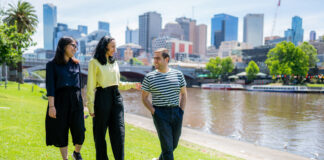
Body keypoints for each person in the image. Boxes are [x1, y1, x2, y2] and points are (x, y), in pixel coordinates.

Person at [86, 36, 140, 160]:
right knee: (99, 135)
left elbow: (117, 83)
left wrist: (133, 85)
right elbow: (90, 87)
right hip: (102, 98)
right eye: (113, 47)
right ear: (105, 46)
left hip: (116, 98)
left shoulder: (114, 62)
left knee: (119, 134)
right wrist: (90, 106)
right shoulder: (94, 62)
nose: (115, 50)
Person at [141, 48, 187, 160]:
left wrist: (181, 111)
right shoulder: (149, 77)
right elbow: (144, 98)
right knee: (167, 148)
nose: (155, 61)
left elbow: (184, 94)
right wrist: (154, 112)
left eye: (158, 58)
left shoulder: (178, 74)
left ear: (166, 59)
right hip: (160, 114)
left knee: (173, 145)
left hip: (176, 112)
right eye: (154, 58)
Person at [45, 36, 85, 160]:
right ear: (63, 47)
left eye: (76, 46)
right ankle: (65, 158)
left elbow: (79, 86)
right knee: (61, 131)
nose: (75, 48)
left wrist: (82, 105)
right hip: (60, 101)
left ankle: (76, 153)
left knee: (80, 131)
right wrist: (51, 106)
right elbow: (50, 86)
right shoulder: (52, 65)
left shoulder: (76, 64)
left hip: (76, 101)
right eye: (72, 45)